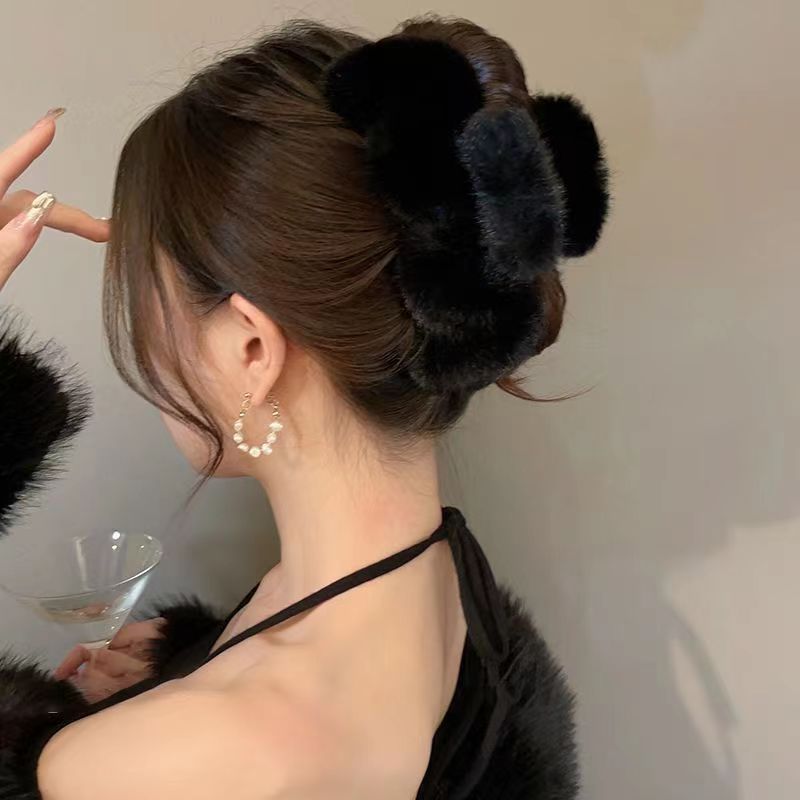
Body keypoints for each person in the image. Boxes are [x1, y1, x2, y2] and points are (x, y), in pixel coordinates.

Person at [0, 15, 609, 800]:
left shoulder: (204, 758)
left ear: (251, 348)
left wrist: (167, 722)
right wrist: (192, 662)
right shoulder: (428, 579)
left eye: (146, 296)